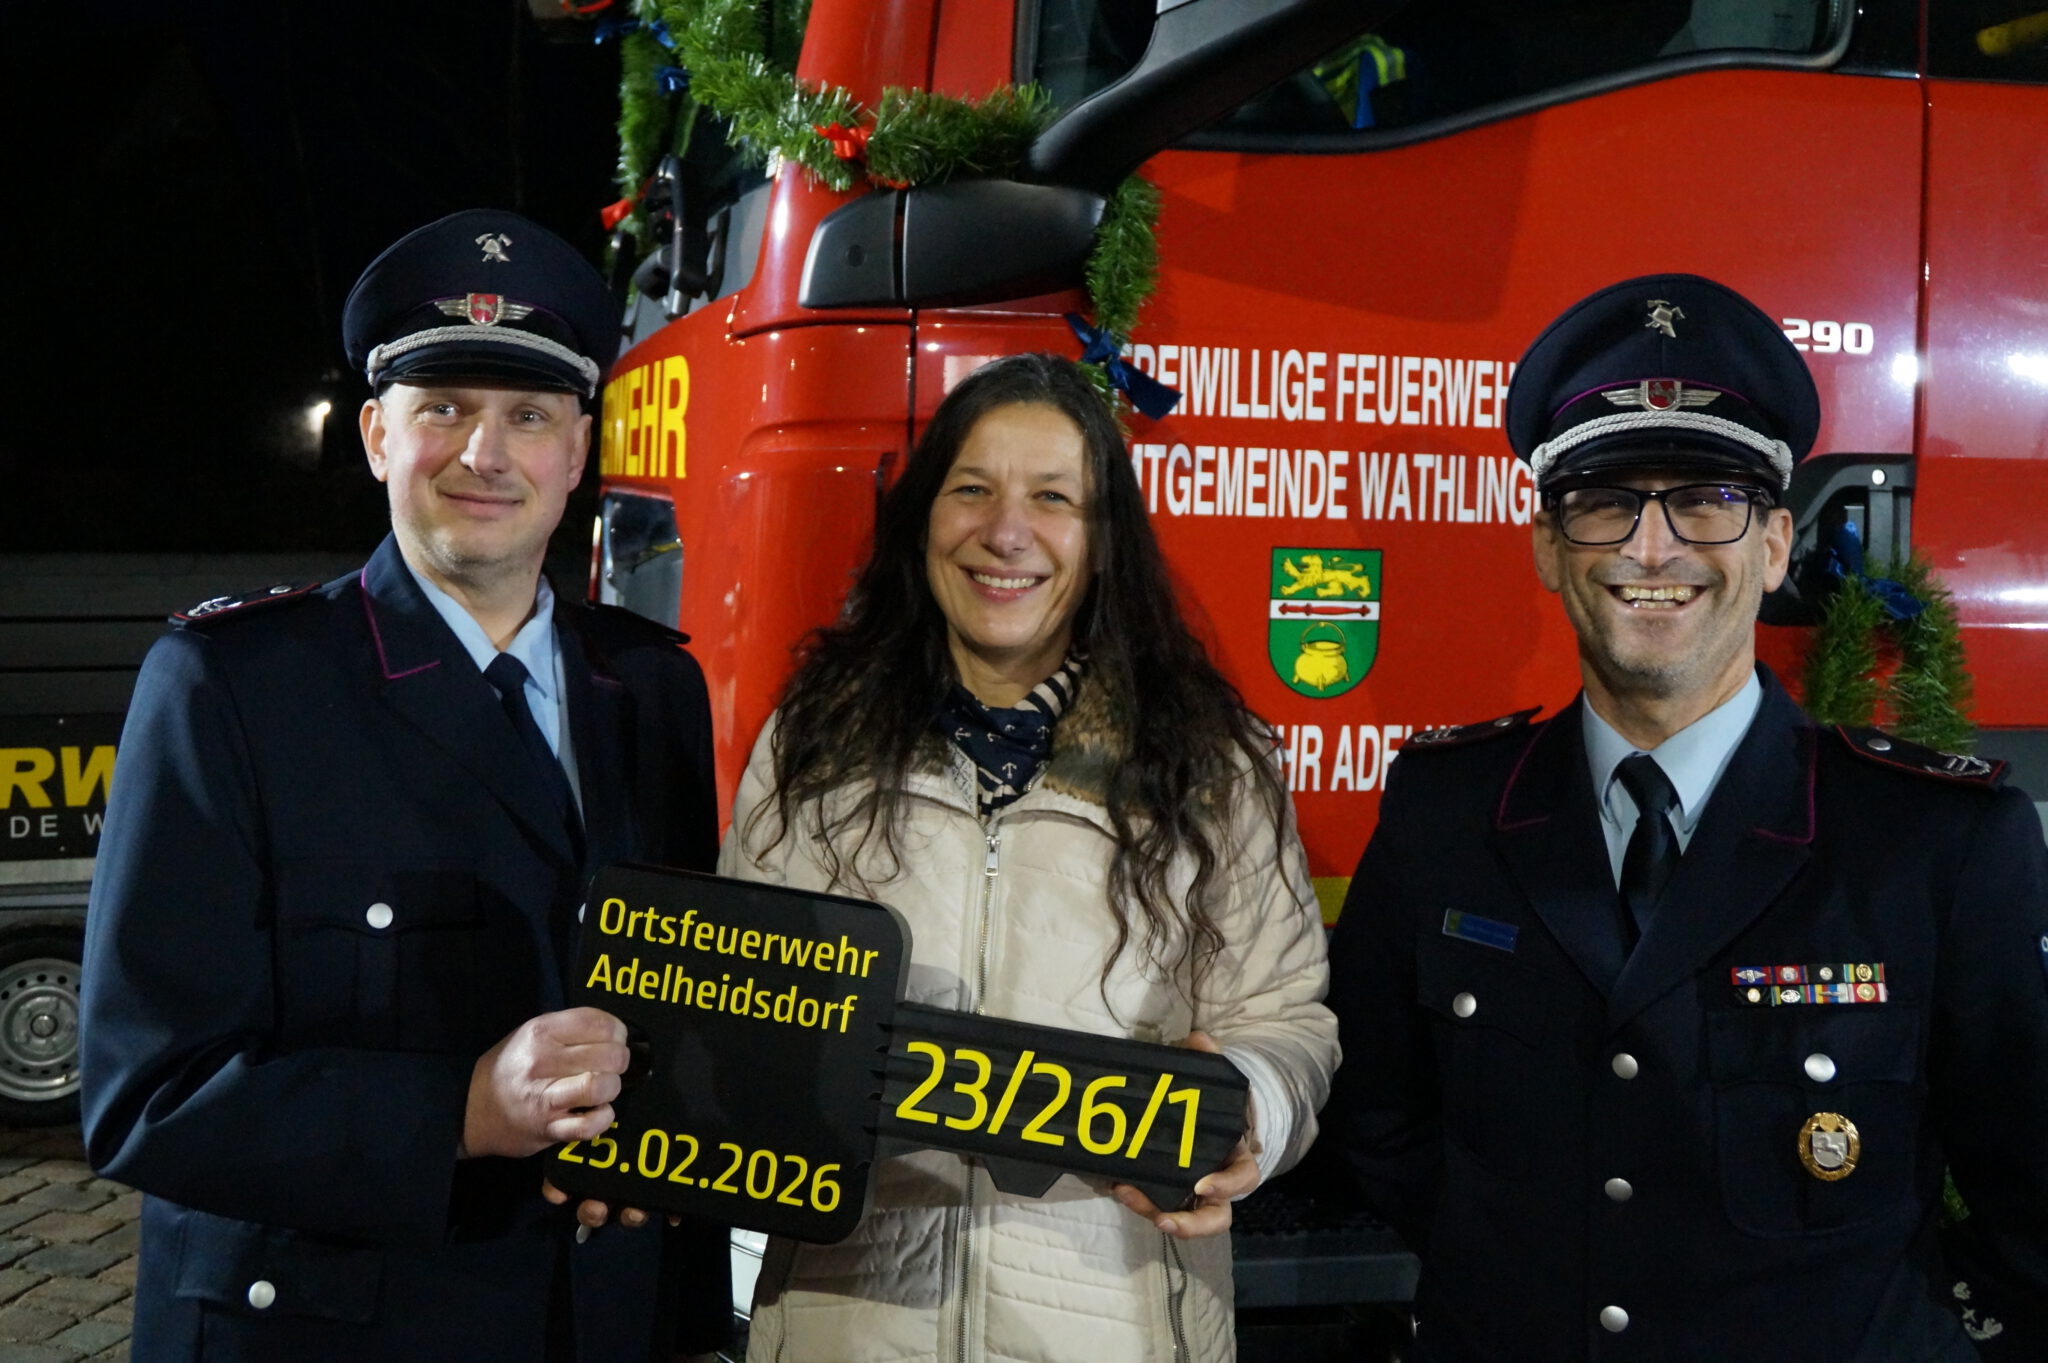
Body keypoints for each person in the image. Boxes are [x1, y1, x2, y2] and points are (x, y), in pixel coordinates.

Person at [1323, 273, 2048, 1359]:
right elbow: (1378, 1124)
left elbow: (2029, 1199)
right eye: (1605, 499)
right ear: (1545, 543)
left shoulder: (1937, 842)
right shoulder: (1445, 812)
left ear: (1768, 545)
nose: (1650, 548)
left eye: (1705, 499)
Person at [81, 209, 729, 1362]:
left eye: (527, 416)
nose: (486, 455)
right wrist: (463, 1109)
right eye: (445, 410)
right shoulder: (230, 684)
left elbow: (669, 990)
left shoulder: (650, 689)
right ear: (379, 436)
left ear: (577, 455)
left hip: (589, 1321)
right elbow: (146, 1095)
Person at [718, 353, 1338, 1361]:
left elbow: (1287, 1019)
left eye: (1052, 497)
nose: (1004, 531)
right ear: (922, 516)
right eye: (971, 489)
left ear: (1102, 544)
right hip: (850, 1326)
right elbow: (739, 1007)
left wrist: (1247, 1105)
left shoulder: (1207, 758)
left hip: (1113, 1330)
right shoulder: (816, 737)